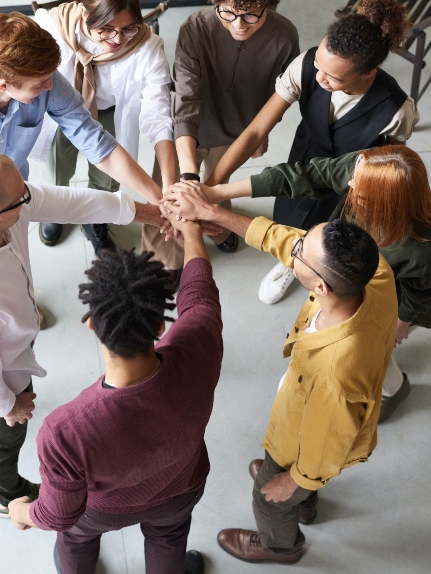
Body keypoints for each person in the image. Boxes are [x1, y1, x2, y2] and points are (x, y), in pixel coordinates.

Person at [162, 182, 397, 563]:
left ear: (320, 286)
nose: (294, 247)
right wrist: (214, 213)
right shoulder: (373, 272)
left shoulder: (336, 375)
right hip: (312, 414)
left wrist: (295, 479)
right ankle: (306, 503)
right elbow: (285, 241)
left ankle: (281, 545)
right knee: (289, 479)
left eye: (302, 251)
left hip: (306, 439)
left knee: (268, 498)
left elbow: (327, 447)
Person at [0, 152, 164, 518]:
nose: (30, 196)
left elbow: (68, 202)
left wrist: (150, 213)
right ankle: (5, 494)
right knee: (1, 441)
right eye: (22, 197)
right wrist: (8, 406)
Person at [7, 213, 223, 574]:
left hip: (102, 511)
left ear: (92, 323)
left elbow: (59, 514)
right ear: (159, 323)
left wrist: (22, 513)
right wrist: (193, 232)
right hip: (181, 486)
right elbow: (199, 293)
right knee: (168, 538)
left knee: (76, 540)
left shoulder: (65, 431)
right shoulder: (200, 342)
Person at [205, 0, 419, 301]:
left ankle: (315, 271)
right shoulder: (306, 66)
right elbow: (255, 131)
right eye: (318, 64)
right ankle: (291, 262)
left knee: (331, 238)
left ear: (368, 73)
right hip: (305, 157)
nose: (319, 78)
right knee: (291, 211)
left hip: (351, 182)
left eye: (332, 77)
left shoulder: (396, 109)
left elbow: (391, 165)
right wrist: (211, 186)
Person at [202, 145, 430, 419]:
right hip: (352, 282)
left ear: (382, 202)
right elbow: (304, 176)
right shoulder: (365, 168)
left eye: (359, 188)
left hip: (397, 302)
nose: (349, 182)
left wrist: (397, 327)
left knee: (373, 351)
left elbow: (419, 296)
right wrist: (214, 194)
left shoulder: (419, 248)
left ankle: (393, 390)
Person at [0, 12, 161, 213]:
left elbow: (95, 141)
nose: (50, 86)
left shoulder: (43, 76)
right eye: (40, 83)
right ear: (4, 85)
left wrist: (159, 200)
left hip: (15, 198)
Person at [32, 0, 181, 277]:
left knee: (108, 177)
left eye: (128, 28)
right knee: (57, 165)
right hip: (61, 108)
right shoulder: (51, 27)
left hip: (110, 111)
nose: (116, 40)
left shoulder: (147, 46)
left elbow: (157, 111)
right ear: (85, 13)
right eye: (106, 30)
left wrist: (167, 186)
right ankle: (56, 209)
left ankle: (96, 218)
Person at [171, 0, 299, 254]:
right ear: (216, 0)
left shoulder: (285, 37)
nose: (238, 25)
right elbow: (185, 102)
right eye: (227, 12)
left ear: (268, 4)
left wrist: (261, 134)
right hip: (190, 131)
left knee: (217, 191)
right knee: (172, 193)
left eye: (251, 15)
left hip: (239, 133)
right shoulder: (195, 29)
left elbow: (277, 99)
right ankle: (168, 257)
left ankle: (217, 230)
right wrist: (189, 178)